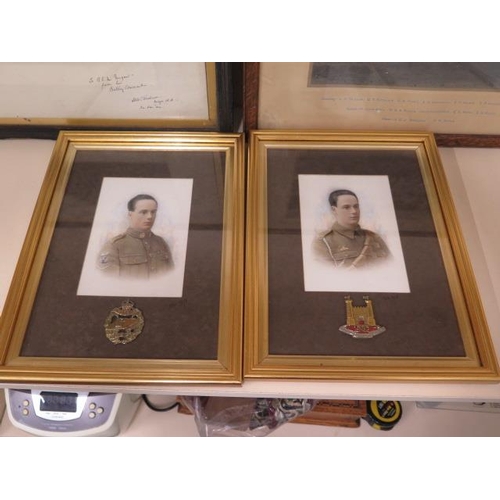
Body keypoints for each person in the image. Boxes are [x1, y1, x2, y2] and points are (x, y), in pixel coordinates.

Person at [98, 194, 173, 279]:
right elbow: (109, 283)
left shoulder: (161, 243)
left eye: (153, 212)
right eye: (143, 212)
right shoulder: (114, 245)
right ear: (130, 214)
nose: (150, 217)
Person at [312, 189, 390, 269]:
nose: (354, 211)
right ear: (334, 210)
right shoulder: (323, 242)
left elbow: (391, 265)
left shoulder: (373, 237)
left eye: (356, 206)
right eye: (346, 207)